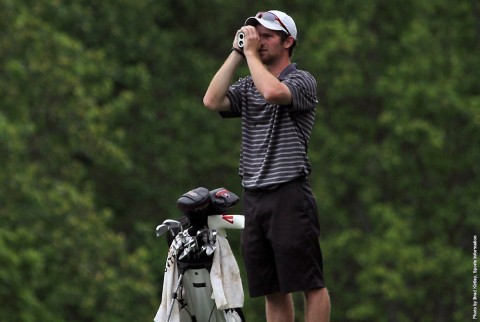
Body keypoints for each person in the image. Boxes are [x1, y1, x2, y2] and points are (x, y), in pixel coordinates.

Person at [203, 10, 330, 322]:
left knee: (309, 283)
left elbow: (273, 93)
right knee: (272, 289)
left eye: (268, 36)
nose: (259, 42)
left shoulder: (302, 80)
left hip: (289, 193)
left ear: (288, 42)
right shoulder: (248, 85)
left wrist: (249, 55)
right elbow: (212, 100)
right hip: (255, 196)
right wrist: (236, 53)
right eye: (255, 35)